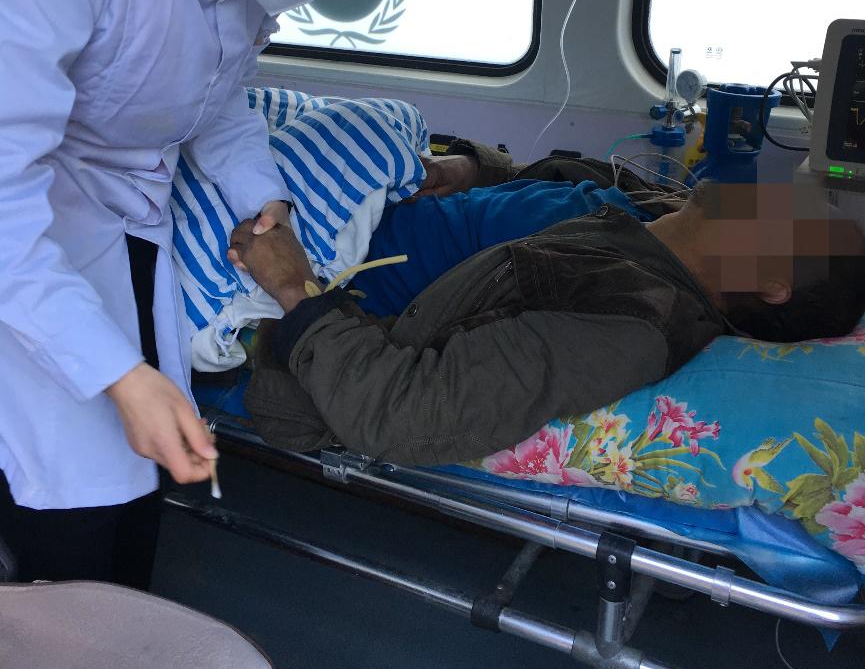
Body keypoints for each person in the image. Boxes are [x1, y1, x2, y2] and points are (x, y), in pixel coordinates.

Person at [0, 0, 403, 586]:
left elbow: (217, 100)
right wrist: (118, 373)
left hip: (127, 219)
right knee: (72, 490)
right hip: (27, 224)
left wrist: (263, 199)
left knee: (139, 474)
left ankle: (121, 628)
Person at [229, 176, 865, 467]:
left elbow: (402, 415)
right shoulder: (647, 230)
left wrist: (291, 283)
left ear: (770, 284)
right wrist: (472, 167)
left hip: (306, 343)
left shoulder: (631, 324)